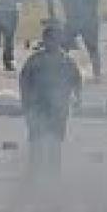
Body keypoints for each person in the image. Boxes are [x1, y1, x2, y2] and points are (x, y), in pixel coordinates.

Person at [19, 23, 82, 177]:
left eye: (54, 38)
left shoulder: (66, 61)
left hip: (58, 108)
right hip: (37, 107)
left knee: (55, 143)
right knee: (36, 142)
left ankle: (54, 175)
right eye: (49, 38)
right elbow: (24, 80)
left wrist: (78, 97)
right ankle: (34, 173)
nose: (51, 42)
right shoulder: (35, 60)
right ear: (44, 40)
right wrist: (26, 101)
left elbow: (77, 80)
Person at [62, 0, 103, 80]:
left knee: (91, 47)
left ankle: (97, 74)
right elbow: (67, 1)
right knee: (64, 46)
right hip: (77, 19)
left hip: (87, 20)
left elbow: (93, 2)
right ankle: (62, 72)